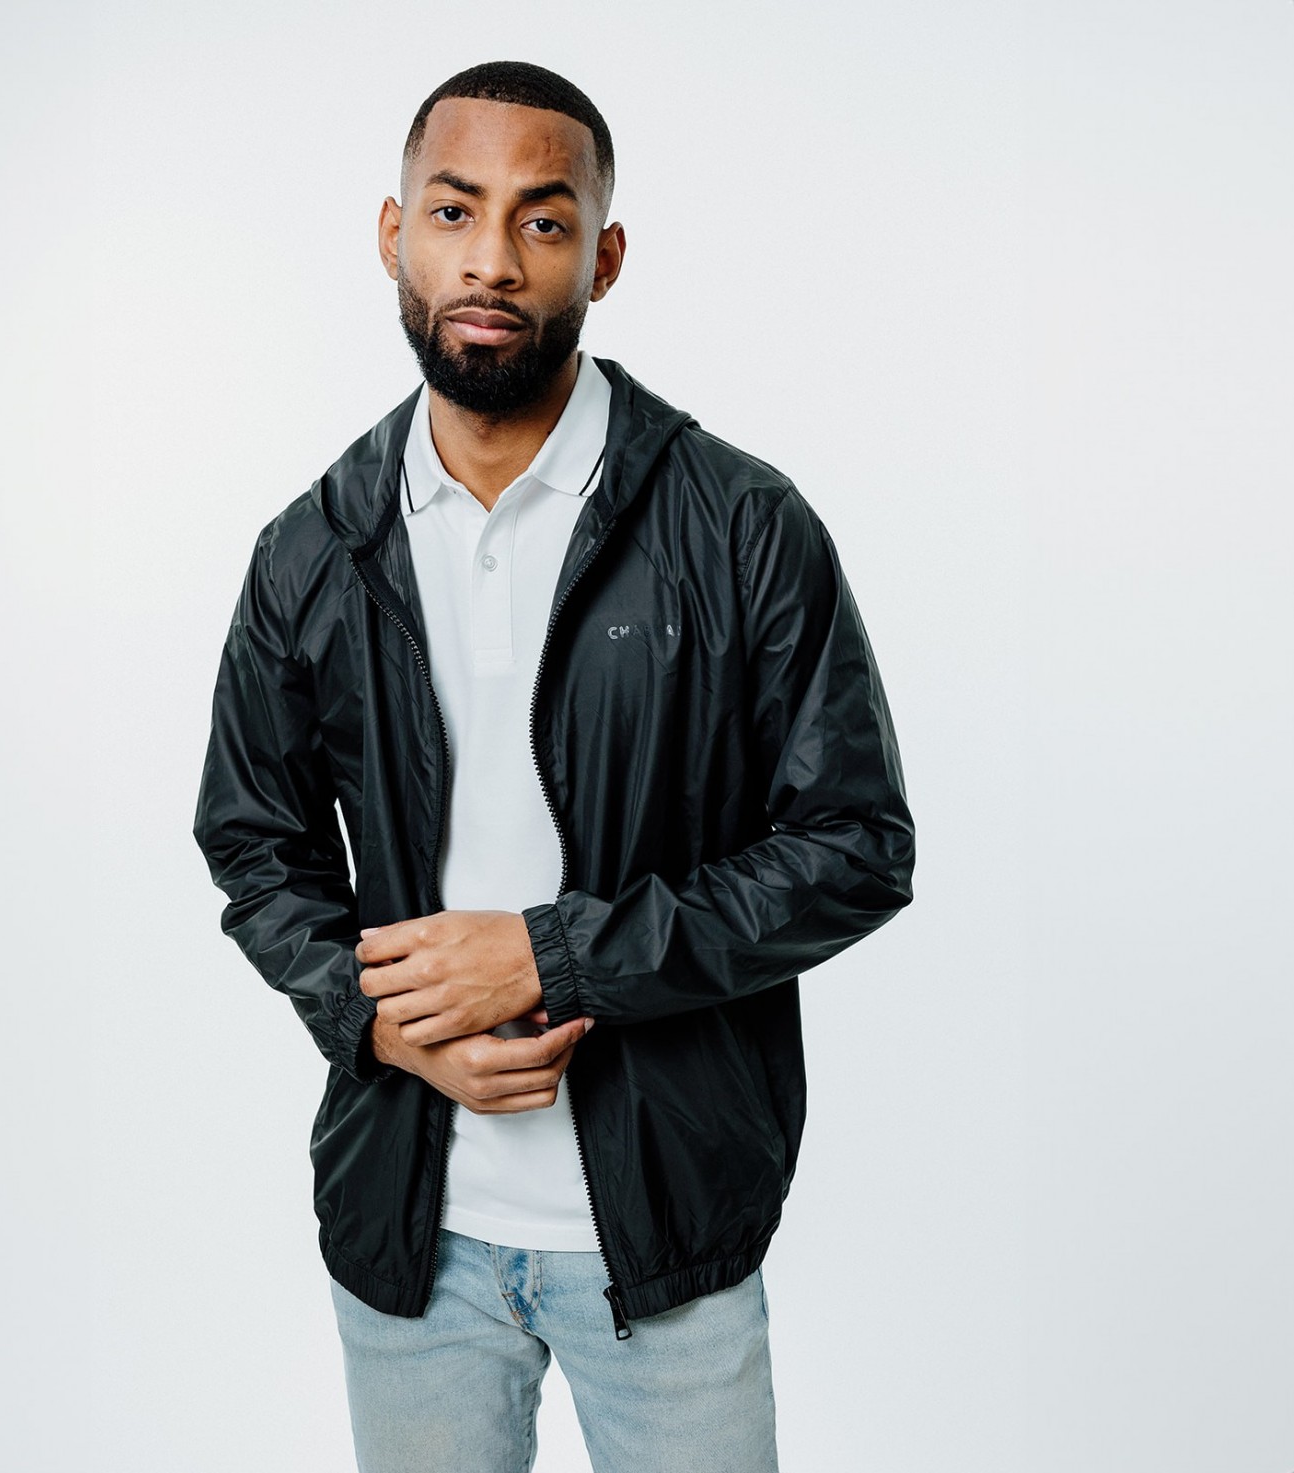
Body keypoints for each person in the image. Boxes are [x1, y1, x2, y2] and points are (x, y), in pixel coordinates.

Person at [193, 59, 914, 1473]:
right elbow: (254, 843)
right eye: (453, 210)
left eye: (542, 219)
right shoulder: (312, 548)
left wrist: (550, 954)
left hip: (667, 1237)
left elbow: (854, 846)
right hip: (409, 1233)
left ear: (605, 255)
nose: (492, 258)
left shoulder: (741, 526)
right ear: (392, 233)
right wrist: (376, 1019)